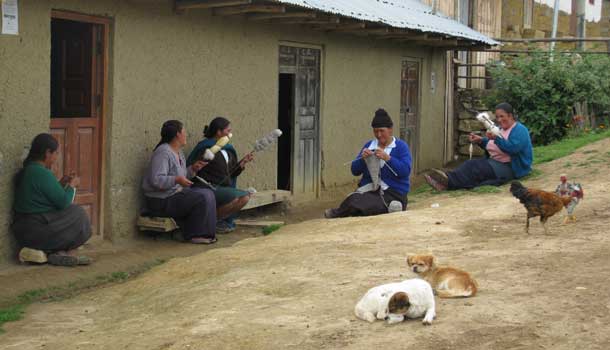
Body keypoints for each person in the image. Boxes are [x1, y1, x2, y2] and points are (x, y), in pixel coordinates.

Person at [12, 133, 92, 266]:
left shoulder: (28, 170)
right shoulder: (42, 172)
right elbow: (63, 203)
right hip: (36, 231)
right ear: (47, 153)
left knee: (72, 215)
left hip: (24, 230)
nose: (56, 157)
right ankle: (61, 251)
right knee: (78, 214)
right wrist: (72, 186)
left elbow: (45, 195)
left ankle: (57, 253)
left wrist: (61, 183)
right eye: (56, 153)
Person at [424, 102, 533, 191]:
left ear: (510, 116)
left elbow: (512, 149)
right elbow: (494, 145)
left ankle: (447, 182)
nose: (499, 120)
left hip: (511, 168)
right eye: (497, 117)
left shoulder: (520, 130)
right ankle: (446, 181)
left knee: (475, 168)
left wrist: (496, 138)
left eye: (502, 116)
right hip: (497, 162)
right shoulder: (501, 129)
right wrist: (480, 141)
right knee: (471, 166)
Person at [325, 108, 412, 218]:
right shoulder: (370, 145)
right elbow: (354, 171)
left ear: (390, 130)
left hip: (393, 193)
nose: (379, 135)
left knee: (359, 203)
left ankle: (339, 213)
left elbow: (405, 171)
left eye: (382, 131)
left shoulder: (400, 147)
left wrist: (388, 158)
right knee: (354, 199)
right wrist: (363, 159)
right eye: (376, 131)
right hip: (372, 190)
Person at [142, 120, 217, 244]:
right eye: (184, 132)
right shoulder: (163, 152)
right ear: (177, 134)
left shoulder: (178, 152)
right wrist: (176, 180)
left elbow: (181, 175)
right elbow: (156, 180)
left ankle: (207, 234)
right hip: (160, 201)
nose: (185, 135)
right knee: (202, 197)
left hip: (173, 195)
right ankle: (194, 234)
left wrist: (193, 169)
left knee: (208, 193)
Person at [187, 117, 254, 233]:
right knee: (240, 197)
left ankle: (216, 221)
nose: (230, 133)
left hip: (223, 188)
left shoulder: (228, 149)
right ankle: (208, 222)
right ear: (219, 132)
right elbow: (193, 169)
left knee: (244, 198)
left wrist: (242, 163)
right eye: (228, 131)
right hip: (207, 187)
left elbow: (231, 173)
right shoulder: (204, 147)